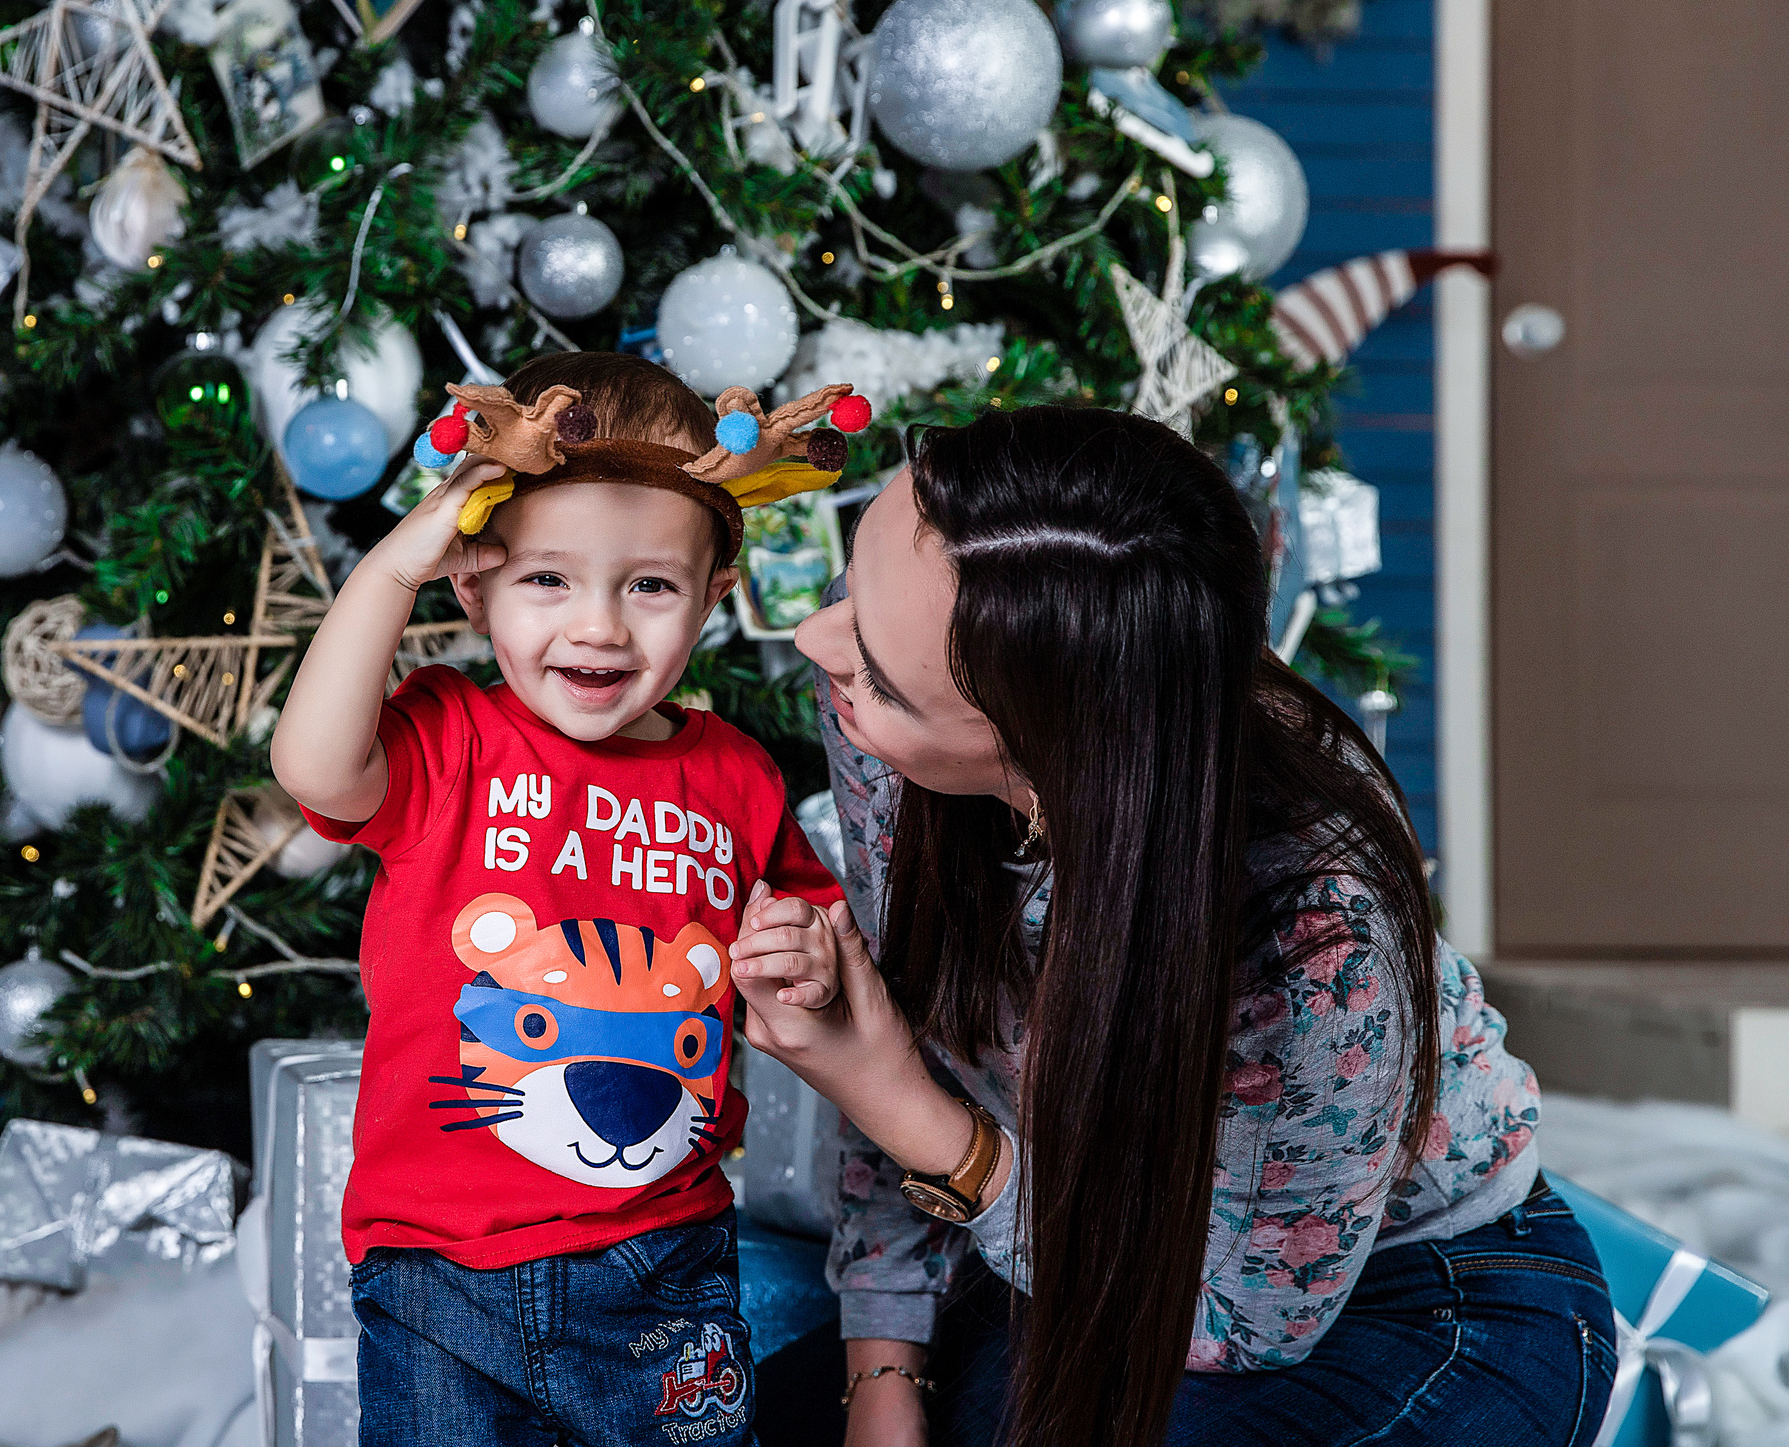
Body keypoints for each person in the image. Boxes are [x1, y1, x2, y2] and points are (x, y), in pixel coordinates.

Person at [732, 406, 1617, 1447]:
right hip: (1064, 1243)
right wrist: (884, 1373)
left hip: (1398, 1295)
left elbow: (1241, 1320)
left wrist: (887, 1095)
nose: (811, 641)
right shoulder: (899, 719)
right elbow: (929, 1021)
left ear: (1049, 753)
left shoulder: (1316, 930)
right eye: (849, 589)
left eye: (875, 672)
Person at [272, 351, 849, 1447]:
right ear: (470, 579)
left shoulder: (735, 776)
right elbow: (311, 766)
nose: (598, 628)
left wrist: (802, 954)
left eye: (649, 585)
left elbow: (806, 940)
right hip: (440, 1270)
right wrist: (391, 570)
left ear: (713, 595)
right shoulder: (450, 737)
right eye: (548, 579)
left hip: (661, 1259)